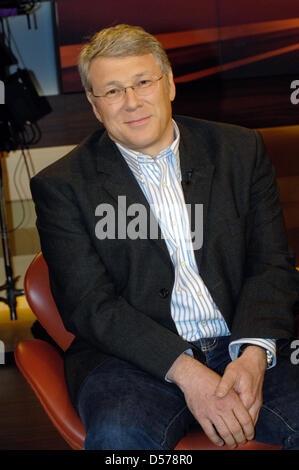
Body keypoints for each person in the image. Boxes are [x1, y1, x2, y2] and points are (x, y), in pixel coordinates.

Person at [30, 24, 299, 450]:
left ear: (169, 83)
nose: (132, 102)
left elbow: (270, 264)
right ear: (94, 105)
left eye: (142, 82)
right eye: (113, 91)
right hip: (129, 360)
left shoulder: (239, 151)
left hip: (243, 339)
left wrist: (253, 354)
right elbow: (89, 305)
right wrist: (187, 371)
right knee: (120, 441)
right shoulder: (62, 185)